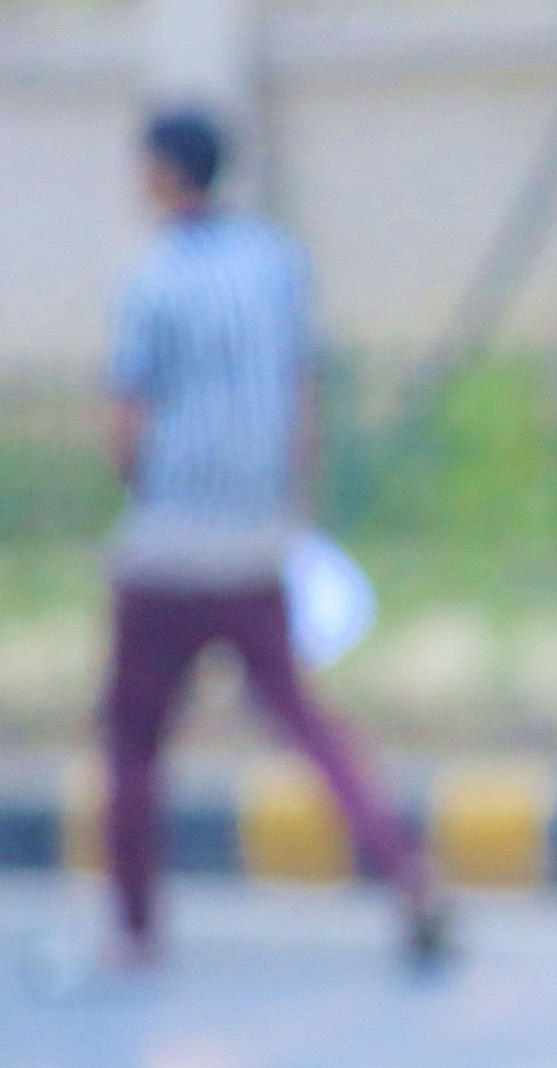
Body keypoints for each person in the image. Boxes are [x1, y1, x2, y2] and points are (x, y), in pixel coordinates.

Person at [99, 107, 447, 969]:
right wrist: (288, 511)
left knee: (133, 739)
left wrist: (142, 488)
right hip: (257, 537)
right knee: (299, 714)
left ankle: (135, 930)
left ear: (164, 173)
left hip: (170, 542)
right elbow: (304, 402)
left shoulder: (150, 277)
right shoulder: (276, 264)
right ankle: (405, 871)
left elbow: (126, 418)